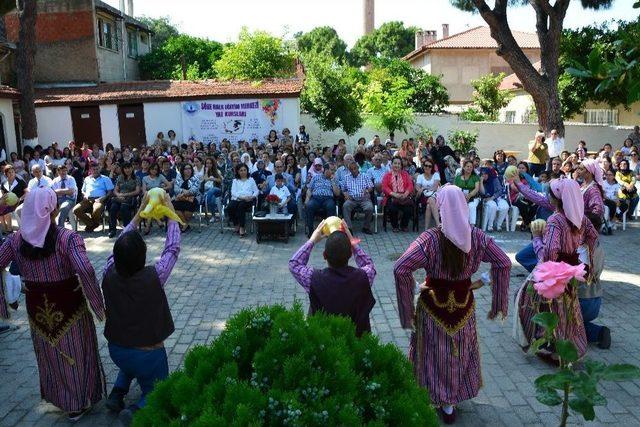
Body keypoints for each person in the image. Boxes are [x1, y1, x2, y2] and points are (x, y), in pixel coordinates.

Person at [394, 185, 510, 424]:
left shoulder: (430, 239)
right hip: (464, 306)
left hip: (433, 306)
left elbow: (400, 267)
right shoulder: (476, 236)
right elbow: (503, 263)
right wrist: (499, 300)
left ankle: (436, 397)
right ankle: (451, 402)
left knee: (434, 352)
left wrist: (411, 292)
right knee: (458, 351)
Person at [0, 188, 106, 422]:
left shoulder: (15, 240)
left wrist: (14, 289)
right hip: (70, 306)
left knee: (51, 354)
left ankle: (64, 400)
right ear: (54, 209)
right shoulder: (67, 238)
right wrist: (97, 303)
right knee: (76, 351)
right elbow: (85, 268)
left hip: (38, 310)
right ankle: (78, 403)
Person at [102, 193, 180, 426]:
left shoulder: (108, 270)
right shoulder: (154, 276)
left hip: (117, 349)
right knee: (159, 389)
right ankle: (136, 410)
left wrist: (138, 213)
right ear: (143, 256)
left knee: (129, 359)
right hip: (147, 354)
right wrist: (170, 212)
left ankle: (117, 393)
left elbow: (123, 240)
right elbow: (172, 249)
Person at [515, 179, 599, 361]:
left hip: (555, 273)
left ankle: (549, 346)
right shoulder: (581, 219)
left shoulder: (555, 220)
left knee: (530, 301)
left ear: (557, 198)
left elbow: (550, 251)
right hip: (571, 271)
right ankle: (568, 348)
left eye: (550, 194)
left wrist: (537, 238)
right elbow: (593, 236)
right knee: (568, 309)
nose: (548, 197)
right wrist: (584, 259)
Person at [289, 219, 376, 337]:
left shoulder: (313, 278)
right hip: (357, 341)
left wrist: (312, 240)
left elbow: (294, 264)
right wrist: (352, 241)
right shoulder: (363, 277)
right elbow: (369, 264)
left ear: (324, 255)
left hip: (323, 342)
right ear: (350, 255)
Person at [73, 166, 114, 232]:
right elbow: (83, 190)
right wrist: (85, 195)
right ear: (91, 170)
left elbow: (110, 191)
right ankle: (93, 224)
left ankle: (91, 225)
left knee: (97, 209)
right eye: (93, 169)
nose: (95, 171)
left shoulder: (106, 178)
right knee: (76, 209)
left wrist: (104, 198)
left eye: (97, 169)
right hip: (87, 200)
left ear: (100, 169)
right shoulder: (87, 179)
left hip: (99, 200)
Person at [305, 164, 340, 237]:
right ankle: (311, 231)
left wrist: (332, 181)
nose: (333, 172)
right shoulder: (316, 177)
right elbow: (309, 189)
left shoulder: (334, 179)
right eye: (332, 170)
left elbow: (337, 193)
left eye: (334, 170)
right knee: (309, 206)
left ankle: (329, 231)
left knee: (331, 206)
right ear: (326, 170)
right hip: (316, 198)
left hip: (328, 199)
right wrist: (307, 199)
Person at [382, 157, 414, 232]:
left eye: (399, 164)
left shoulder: (405, 174)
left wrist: (406, 194)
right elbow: (384, 187)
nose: (397, 165)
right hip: (392, 197)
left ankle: (404, 225)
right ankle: (395, 226)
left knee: (408, 209)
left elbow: (410, 185)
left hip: (404, 197)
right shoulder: (387, 175)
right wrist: (394, 194)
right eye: (395, 163)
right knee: (392, 208)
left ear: (401, 165)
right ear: (392, 164)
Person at [341, 161, 374, 235]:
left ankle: (366, 227)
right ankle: (349, 228)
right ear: (349, 170)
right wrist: (345, 194)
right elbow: (343, 189)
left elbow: (371, 187)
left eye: (355, 168)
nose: (353, 170)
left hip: (364, 199)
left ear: (358, 168)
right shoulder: (346, 177)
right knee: (345, 206)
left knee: (370, 208)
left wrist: (367, 190)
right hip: (352, 199)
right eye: (351, 169)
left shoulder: (364, 176)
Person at [109, 163, 141, 238]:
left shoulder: (136, 178)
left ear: (132, 168)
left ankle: (127, 229)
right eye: (125, 168)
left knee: (124, 207)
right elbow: (115, 190)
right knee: (113, 207)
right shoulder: (120, 177)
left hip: (131, 198)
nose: (127, 170)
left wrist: (125, 195)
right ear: (123, 169)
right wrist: (119, 195)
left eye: (129, 168)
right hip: (120, 198)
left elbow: (137, 191)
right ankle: (112, 230)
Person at [228, 163, 259, 237]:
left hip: (248, 199)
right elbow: (233, 192)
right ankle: (236, 224)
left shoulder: (251, 180)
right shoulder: (235, 180)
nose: (243, 172)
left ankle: (242, 227)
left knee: (241, 207)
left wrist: (252, 197)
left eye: (245, 170)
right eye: (241, 170)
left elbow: (256, 191)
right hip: (237, 198)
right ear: (238, 172)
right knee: (230, 207)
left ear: (247, 171)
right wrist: (241, 197)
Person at [173, 164, 200, 232]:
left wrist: (182, 193)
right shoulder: (179, 177)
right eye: (186, 169)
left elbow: (194, 191)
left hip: (192, 198)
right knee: (174, 207)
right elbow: (176, 189)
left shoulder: (195, 178)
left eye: (189, 169)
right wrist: (184, 191)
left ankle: (184, 224)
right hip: (180, 198)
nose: (188, 170)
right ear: (182, 170)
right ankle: (185, 224)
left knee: (187, 212)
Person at [480, 167, 509, 232]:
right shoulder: (480, 181)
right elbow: (483, 193)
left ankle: (499, 225)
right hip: (486, 199)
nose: (484, 176)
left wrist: (492, 197)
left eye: (486, 174)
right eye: (482, 174)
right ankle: (490, 226)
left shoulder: (494, 179)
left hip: (496, 197)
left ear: (489, 174)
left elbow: (500, 191)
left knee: (505, 207)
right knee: (493, 206)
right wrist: (481, 182)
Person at [415, 158, 440, 230]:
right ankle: (438, 225)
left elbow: (435, 187)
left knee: (429, 204)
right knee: (430, 202)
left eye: (430, 166)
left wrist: (423, 188)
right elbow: (417, 187)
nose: (427, 167)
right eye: (426, 165)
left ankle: (426, 229)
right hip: (423, 197)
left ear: (432, 168)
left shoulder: (436, 175)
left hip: (435, 196)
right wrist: (421, 189)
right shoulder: (420, 176)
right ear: (423, 166)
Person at [0, 165, 27, 233]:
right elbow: (3, 194)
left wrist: (19, 199)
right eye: (9, 172)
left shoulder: (20, 181)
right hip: (9, 203)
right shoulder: (3, 183)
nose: (11, 173)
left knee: (12, 211)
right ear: (5, 174)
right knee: (1, 209)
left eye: (13, 172)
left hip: (20, 202)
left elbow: (27, 192)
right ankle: (7, 229)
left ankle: (21, 230)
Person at [50, 164, 78, 229]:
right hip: (57, 201)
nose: (64, 172)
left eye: (65, 171)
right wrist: (66, 191)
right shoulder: (55, 180)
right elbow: (53, 192)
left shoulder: (71, 179)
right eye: (62, 171)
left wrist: (58, 191)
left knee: (63, 207)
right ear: (58, 171)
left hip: (70, 200)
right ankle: (50, 229)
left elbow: (71, 192)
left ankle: (60, 229)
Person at [454, 160, 480, 225]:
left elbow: (477, 189)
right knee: (458, 206)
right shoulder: (458, 178)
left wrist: (469, 195)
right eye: (467, 166)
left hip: (473, 198)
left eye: (471, 167)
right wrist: (462, 197)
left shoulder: (475, 177)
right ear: (463, 167)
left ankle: (472, 226)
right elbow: (454, 189)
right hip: (460, 198)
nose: (469, 168)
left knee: (471, 206)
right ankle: (460, 225)